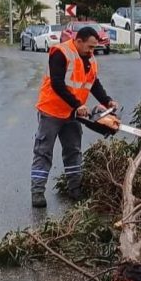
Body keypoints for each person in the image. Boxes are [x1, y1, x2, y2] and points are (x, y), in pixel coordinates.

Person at [30, 26, 118, 208]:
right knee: (43, 151)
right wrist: (78, 104)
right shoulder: (61, 53)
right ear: (78, 41)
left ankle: (75, 189)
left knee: (73, 151)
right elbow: (57, 83)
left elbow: (93, 83)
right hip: (52, 111)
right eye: (90, 47)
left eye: (94, 47)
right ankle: (37, 192)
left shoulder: (90, 59)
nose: (93, 51)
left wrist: (107, 100)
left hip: (72, 114)